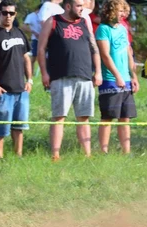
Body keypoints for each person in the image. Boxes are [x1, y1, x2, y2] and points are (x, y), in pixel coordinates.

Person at [38, 0, 102, 160]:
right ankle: (55, 155)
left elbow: (94, 48)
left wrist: (98, 72)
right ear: (68, 6)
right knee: (59, 116)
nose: (82, 9)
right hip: (61, 76)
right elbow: (41, 48)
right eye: (79, 6)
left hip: (85, 76)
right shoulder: (53, 21)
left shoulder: (85, 22)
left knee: (84, 117)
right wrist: (44, 73)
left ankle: (87, 155)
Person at [0, 0, 32, 159]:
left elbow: (26, 58)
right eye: (5, 13)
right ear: (0, 14)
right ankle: (0, 157)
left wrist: (30, 79)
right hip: (3, 90)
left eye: (11, 13)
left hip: (21, 89)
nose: (8, 16)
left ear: (15, 14)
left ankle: (18, 155)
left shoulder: (19, 33)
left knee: (19, 127)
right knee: (1, 128)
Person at [95, 0, 138, 154]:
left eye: (124, 11)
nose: (123, 14)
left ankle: (126, 152)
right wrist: (117, 76)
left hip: (126, 79)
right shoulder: (103, 29)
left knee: (125, 118)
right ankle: (103, 151)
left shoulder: (123, 29)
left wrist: (133, 76)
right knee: (108, 117)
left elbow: (129, 53)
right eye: (120, 11)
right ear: (110, 11)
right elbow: (105, 55)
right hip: (110, 80)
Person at [22, 4, 41, 75]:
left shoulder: (43, 15)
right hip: (35, 39)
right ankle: (30, 73)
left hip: (45, 39)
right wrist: (33, 32)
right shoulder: (31, 16)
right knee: (34, 57)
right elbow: (23, 26)